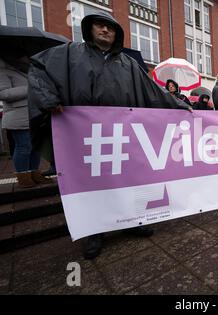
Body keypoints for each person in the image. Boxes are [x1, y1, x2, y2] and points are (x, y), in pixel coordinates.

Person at [28, 11, 183, 260]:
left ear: (117, 34)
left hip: (123, 134)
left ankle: (132, 220)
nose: (105, 31)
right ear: (89, 29)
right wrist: (48, 99)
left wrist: (180, 106)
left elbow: (153, 91)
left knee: (129, 178)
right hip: (84, 135)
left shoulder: (128, 64)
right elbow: (38, 69)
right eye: (100, 26)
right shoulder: (68, 53)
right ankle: (95, 231)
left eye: (110, 28)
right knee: (92, 183)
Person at [0, 52, 51, 188]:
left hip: (33, 114)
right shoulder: (3, 71)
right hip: (18, 115)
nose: (28, 58)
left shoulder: (28, 70)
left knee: (35, 147)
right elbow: (3, 94)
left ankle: (34, 173)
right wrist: (30, 88)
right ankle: (23, 176)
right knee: (24, 147)